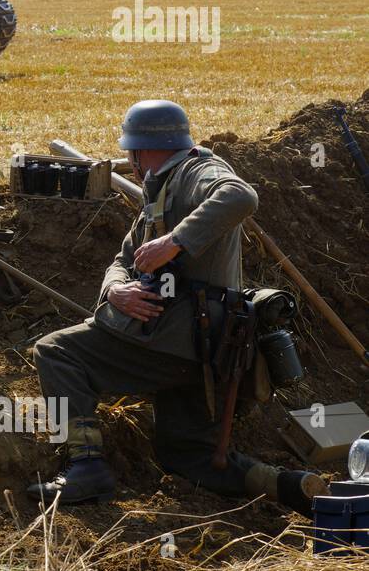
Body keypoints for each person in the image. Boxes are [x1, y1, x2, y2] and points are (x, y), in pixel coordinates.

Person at [27, 100, 326, 514]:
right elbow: (123, 259)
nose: (129, 162)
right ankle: (293, 488)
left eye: (130, 152)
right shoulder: (160, 190)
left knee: (57, 353)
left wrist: (174, 243)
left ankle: (86, 465)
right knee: (190, 458)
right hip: (207, 352)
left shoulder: (196, 170)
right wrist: (116, 291)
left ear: (140, 149)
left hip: (181, 340)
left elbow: (241, 195)